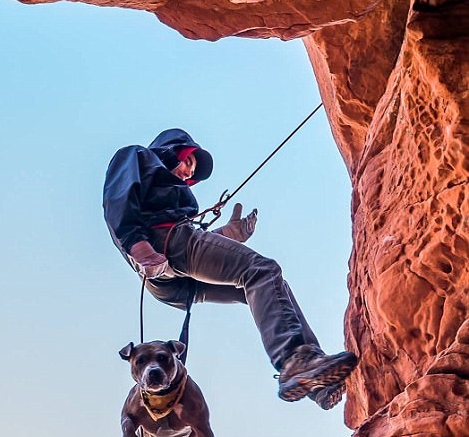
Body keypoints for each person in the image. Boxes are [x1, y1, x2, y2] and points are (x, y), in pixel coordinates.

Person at [103, 128, 357, 407]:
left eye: (192, 170)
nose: (188, 173)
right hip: (162, 245)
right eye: (188, 161)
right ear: (173, 150)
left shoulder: (170, 194)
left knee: (265, 287)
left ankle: (315, 382)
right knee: (261, 271)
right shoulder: (137, 156)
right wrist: (139, 246)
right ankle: (295, 360)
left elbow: (194, 249)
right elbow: (118, 199)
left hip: (168, 279)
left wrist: (229, 234)